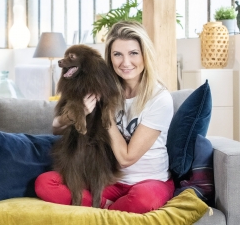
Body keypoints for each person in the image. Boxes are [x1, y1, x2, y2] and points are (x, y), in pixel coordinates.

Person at [35, 20, 174, 214]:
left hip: (149, 182)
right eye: (117, 54)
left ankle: (99, 210)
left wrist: (104, 112)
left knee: (143, 200)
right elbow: (56, 128)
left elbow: (126, 158)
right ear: (110, 57)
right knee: (45, 183)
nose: (125, 62)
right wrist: (78, 114)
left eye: (133, 53)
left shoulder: (160, 99)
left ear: (145, 55)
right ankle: (107, 209)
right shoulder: (101, 86)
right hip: (108, 179)